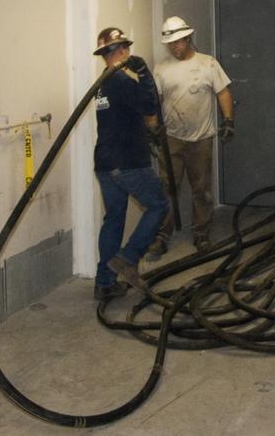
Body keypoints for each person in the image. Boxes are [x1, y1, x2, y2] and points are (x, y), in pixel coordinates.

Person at [90, 27, 169, 302]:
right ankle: (128, 258)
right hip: (127, 162)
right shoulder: (121, 82)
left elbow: (122, 116)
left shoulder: (103, 83)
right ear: (123, 51)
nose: (125, 52)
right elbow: (149, 105)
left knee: (113, 219)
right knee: (159, 205)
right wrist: (145, 72)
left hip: (105, 163)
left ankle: (104, 282)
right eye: (124, 48)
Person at [150, 16, 233, 257]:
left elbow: (223, 92)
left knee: (201, 189)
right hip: (172, 139)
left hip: (201, 139)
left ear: (188, 38)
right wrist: (153, 128)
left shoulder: (208, 64)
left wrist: (228, 120)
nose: (175, 47)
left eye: (179, 42)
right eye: (171, 44)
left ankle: (201, 234)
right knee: (167, 188)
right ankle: (161, 236)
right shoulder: (161, 68)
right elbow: (154, 102)